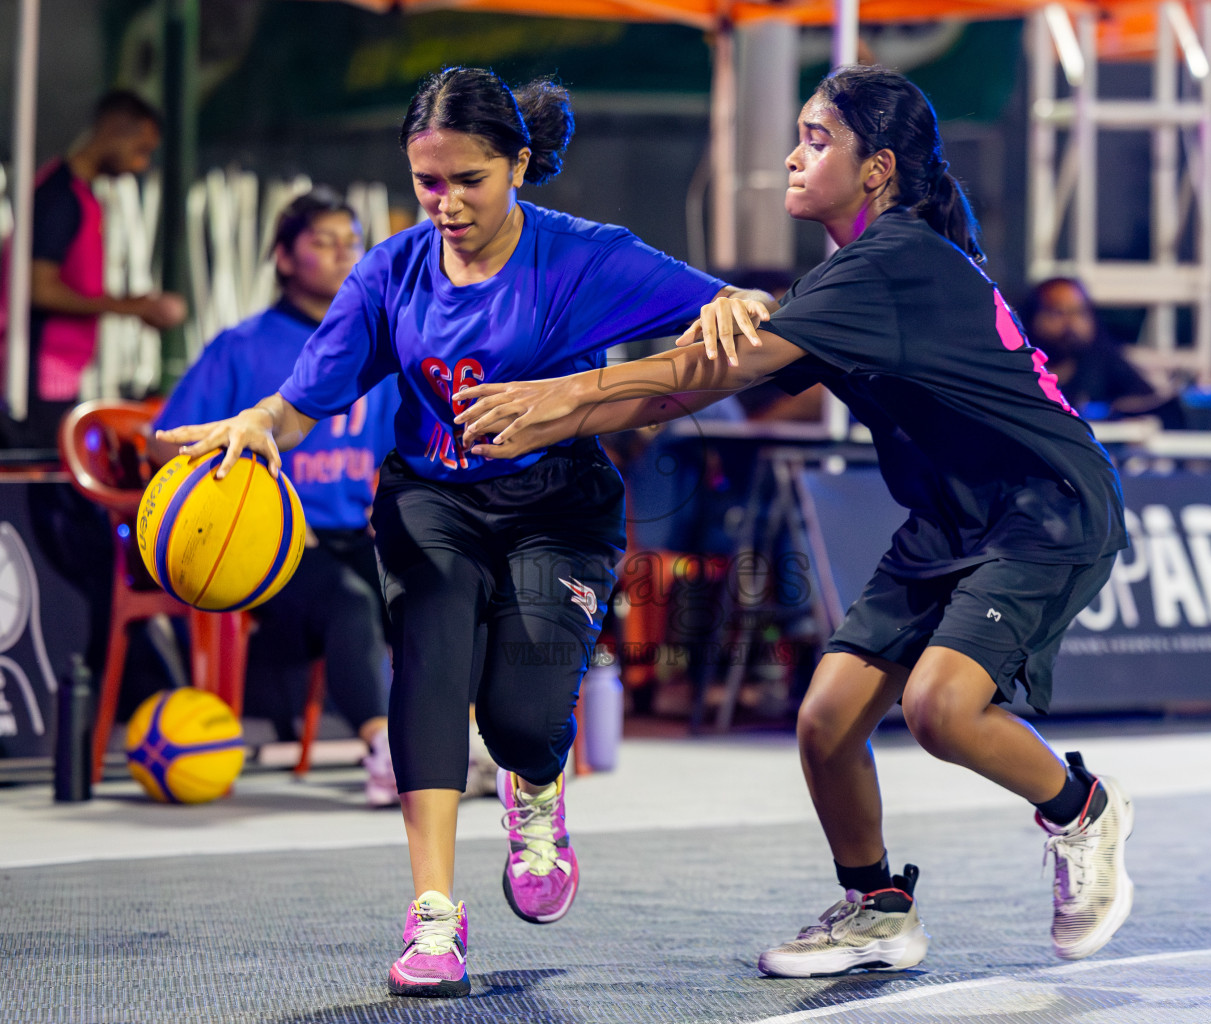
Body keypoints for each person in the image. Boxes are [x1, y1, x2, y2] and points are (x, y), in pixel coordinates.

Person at [454, 64, 1136, 977]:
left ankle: (1082, 808)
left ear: (877, 168)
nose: (792, 153)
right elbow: (685, 388)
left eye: (818, 139)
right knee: (825, 721)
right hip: (949, 518)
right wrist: (551, 417)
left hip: (1045, 509)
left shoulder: (894, 263)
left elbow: (709, 375)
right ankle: (877, 909)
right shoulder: (849, 277)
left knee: (940, 708)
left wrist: (563, 392)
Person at [154, 67, 771, 998]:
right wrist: (256, 425)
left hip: (558, 505)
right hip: (430, 499)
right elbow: (300, 402)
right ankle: (434, 915)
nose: (444, 203)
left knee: (525, 720)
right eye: (426, 182)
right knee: (432, 663)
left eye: (468, 180)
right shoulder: (391, 270)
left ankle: (535, 792)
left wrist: (729, 300)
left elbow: (729, 305)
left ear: (519, 165)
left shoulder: (580, 257)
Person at [151, 187, 401, 807]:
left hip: (355, 534)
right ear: (284, 259)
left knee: (442, 587)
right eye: (324, 241)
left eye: (352, 241)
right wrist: (240, 482)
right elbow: (163, 444)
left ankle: (453, 743)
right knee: (345, 604)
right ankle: (384, 755)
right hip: (270, 548)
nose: (344, 253)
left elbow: (408, 446)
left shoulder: (376, 343)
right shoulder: (243, 347)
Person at [0, 89, 187, 446]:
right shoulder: (59, 196)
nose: (140, 164)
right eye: (141, 149)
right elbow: (38, 288)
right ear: (115, 129)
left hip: (58, 373)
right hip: (32, 375)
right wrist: (131, 307)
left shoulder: (81, 196)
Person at [1019, 277, 1164, 420]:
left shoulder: (1105, 358)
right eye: (1057, 312)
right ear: (1032, 318)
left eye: (1080, 312)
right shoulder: (1020, 368)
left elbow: (1147, 402)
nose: (1071, 323)